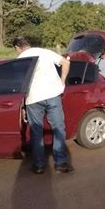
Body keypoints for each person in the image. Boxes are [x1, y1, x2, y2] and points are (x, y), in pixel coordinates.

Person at [13, 36, 72, 174]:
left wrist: (21, 104)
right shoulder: (45, 52)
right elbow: (66, 63)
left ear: (17, 48)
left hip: (33, 99)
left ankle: (39, 165)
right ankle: (61, 163)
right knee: (58, 128)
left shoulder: (20, 60)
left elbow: (19, 84)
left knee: (36, 132)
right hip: (52, 95)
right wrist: (62, 82)